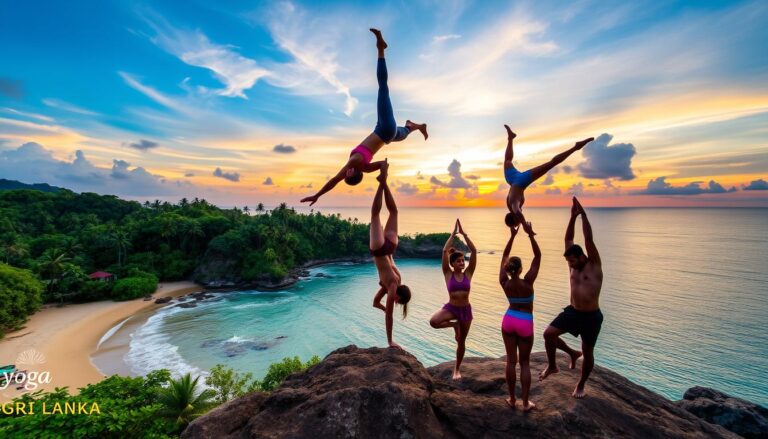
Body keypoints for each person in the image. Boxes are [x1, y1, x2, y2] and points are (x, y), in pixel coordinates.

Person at [301, 29, 428, 206]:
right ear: (353, 174)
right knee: (382, 87)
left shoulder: (366, 168)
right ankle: (381, 49)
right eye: (348, 175)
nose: (345, 173)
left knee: (403, 133)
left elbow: (383, 164)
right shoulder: (354, 162)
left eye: (346, 175)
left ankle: (414, 126)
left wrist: (318, 195)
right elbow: (334, 181)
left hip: (386, 136)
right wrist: (383, 178)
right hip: (384, 129)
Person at [539, 197, 604, 399]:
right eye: (568, 261)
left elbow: (588, 240)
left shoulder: (594, 266)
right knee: (549, 334)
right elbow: (568, 240)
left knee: (588, 351)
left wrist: (583, 215)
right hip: (573, 312)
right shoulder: (573, 263)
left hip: (591, 317)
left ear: (582, 256)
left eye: (572, 260)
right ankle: (553, 365)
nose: (570, 265)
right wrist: (572, 217)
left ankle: (581, 385)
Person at [503, 125, 594, 226]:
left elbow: (519, 214)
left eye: (517, 223)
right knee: (507, 160)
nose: (518, 224)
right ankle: (511, 138)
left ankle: (575, 147)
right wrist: (514, 225)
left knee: (551, 163)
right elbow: (515, 215)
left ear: (515, 218)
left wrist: (525, 226)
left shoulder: (514, 206)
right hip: (511, 179)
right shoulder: (510, 207)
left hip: (521, 181)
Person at [499, 221, 540, 411]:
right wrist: (530, 235)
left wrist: (512, 236)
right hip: (524, 321)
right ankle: (525, 403)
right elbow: (538, 256)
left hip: (509, 318)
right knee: (524, 363)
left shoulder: (504, 282)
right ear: (521, 269)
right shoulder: (528, 282)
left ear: (508, 269)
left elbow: (504, 256)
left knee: (510, 361)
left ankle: (512, 399)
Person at [429, 218, 477, 379]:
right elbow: (444, 252)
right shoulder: (447, 274)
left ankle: (457, 369)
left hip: (465, 310)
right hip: (451, 308)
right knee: (434, 322)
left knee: (461, 342)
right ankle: (454, 325)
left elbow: (474, 252)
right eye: (459, 261)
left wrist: (464, 235)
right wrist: (452, 235)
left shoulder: (468, 274)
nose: (462, 263)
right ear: (452, 263)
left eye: (463, 260)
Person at [370, 168, 411, 349]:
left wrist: (383, 307)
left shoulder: (396, 281)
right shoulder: (393, 285)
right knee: (375, 214)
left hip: (390, 247)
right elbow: (389, 316)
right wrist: (390, 341)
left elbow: (375, 302)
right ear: (399, 294)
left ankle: (384, 181)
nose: (394, 301)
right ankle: (382, 183)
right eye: (398, 300)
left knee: (394, 212)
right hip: (379, 250)